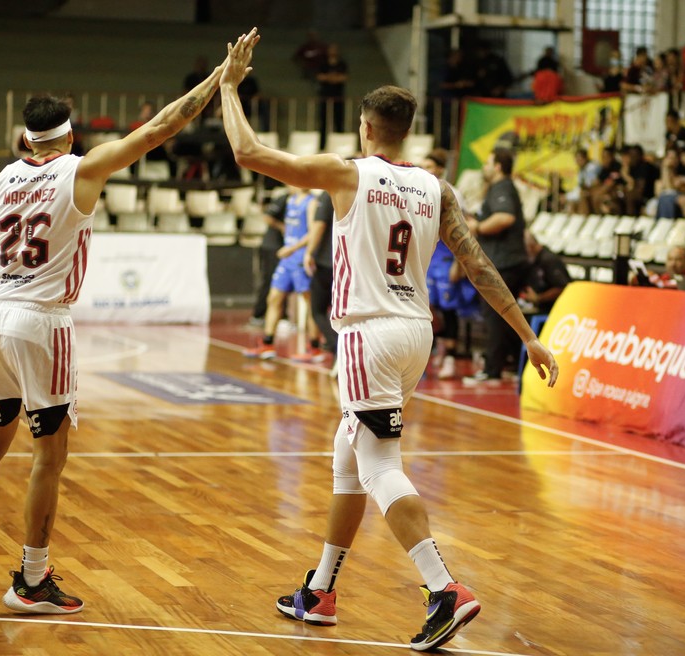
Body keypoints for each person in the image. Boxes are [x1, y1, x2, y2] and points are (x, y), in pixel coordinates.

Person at [220, 29, 558, 652]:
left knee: (378, 467)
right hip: (414, 336)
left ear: (365, 127)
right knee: (346, 460)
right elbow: (480, 265)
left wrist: (229, 89)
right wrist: (527, 338)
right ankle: (320, 590)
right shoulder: (438, 187)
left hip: (367, 334)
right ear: (406, 130)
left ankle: (443, 589)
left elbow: (246, 152)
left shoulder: (345, 174)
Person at [0, 53, 227, 612]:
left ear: (26, 140)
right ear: (69, 135)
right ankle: (32, 579)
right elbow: (163, 126)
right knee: (48, 456)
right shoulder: (82, 169)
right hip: (43, 322)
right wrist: (219, 78)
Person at [463, 148, 529, 385]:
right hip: (505, 261)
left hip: (505, 263)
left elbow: (505, 217)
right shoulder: (497, 188)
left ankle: (492, 370)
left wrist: (478, 228)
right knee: (504, 317)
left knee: (495, 315)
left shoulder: (502, 188)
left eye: (489, 162)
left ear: (499, 166)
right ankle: (509, 365)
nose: (485, 167)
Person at [243, 185, 320, 360]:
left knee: (309, 302)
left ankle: (315, 346)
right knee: (274, 298)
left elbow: (313, 232)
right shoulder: (290, 200)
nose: (287, 184)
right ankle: (268, 343)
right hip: (287, 258)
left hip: (299, 257)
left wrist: (292, 248)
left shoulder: (311, 203)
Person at [421, 149, 477, 379]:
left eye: (429, 166)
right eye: (422, 166)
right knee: (428, 309)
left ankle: (451, 358)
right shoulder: (418, 191)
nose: (424, 170)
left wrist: (459, 263)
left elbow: (466, 228)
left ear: (440, 169)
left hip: (446, 256)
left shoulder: (451, 193)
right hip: (428, 257)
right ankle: (437, 349)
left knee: (448, 307)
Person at [303, 190, 338, 368]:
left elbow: (318, 225)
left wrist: (309, 252)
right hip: (349, 263)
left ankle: (336, 347)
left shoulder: (329, 194)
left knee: (317, 310)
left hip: (327, 262)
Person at [247, 193, 287, 326]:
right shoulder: (284, 198)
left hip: (285, 248)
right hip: (272, 246)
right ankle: (258, 314)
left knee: (282, 283)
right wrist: (282, 227)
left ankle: (282, 316)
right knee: (270, 280)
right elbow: (267, 217)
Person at [520, 231, 570, 314]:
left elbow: (562, 288)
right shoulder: (535, 259)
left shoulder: (549, 260)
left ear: (530, 246)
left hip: (556, 311)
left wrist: (538, 298)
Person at [316, 43, 348, 145]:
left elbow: (343, 78)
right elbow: (320, 77)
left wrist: (329, 78)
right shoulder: (323, 64)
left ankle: (339, 144)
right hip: (325, 96)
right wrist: (333, 77)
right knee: (323, 121)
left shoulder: (342, 64)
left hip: (338, 96)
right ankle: (322, 145)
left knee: (339, 120)